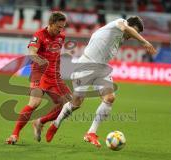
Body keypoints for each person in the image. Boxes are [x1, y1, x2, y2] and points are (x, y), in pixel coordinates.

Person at [46, 16, 156, 148]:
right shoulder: (119, 23)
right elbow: (125, 27)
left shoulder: (120, 38)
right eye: (135, 31)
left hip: (102, 68)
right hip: (85, 65)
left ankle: (91, 133)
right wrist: (144, 42)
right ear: (129, 25)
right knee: (76, 103)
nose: (133, 36)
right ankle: (56, 124)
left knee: (110, 98)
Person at [6, 11, 71, 144]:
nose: (61, 30)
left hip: (54, 76)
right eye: (58, 27)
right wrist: (42, 62)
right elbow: (32, 53)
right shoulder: (38, 35)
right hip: (39, 73)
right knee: (35, 103)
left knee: (69, 104)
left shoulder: (61, 36)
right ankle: (14, 135)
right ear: (51, 24)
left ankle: (40, 121)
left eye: (62, 27)